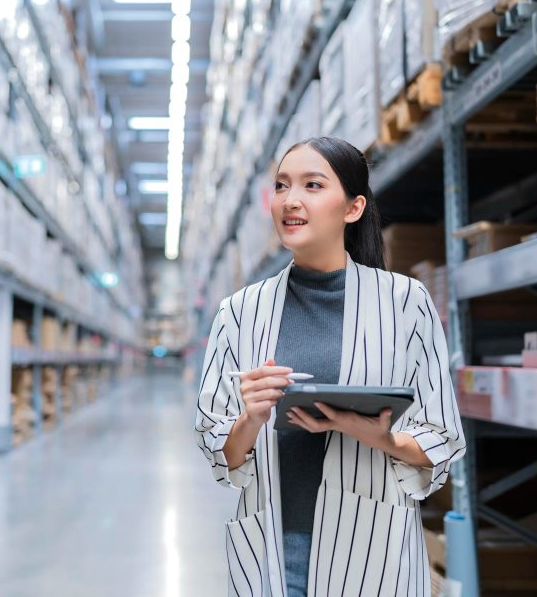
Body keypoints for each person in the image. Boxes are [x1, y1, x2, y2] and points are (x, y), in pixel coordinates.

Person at [194, 137, 466, 597]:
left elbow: (441, 436)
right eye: (281, 186)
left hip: (373, 550)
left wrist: (380, 437)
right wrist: (250, 418)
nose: (290, 200)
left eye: (312, 185)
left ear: (353, 208)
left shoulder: (404, 304)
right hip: (275, 549)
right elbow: (221, 451)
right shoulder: (239, 312)